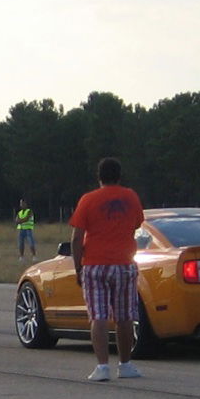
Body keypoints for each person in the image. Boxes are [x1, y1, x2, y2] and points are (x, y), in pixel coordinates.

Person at [69, 157, 145, 382]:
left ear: (99, 177)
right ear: (119, 176)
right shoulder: (131, 196)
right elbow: (137, 224)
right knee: (124, 316)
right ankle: (126, 363)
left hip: (95, 264)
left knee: (98, 316)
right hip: (124, 263)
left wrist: (77, 267)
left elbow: (76, 237)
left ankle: (102, 367)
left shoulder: (88, 199)